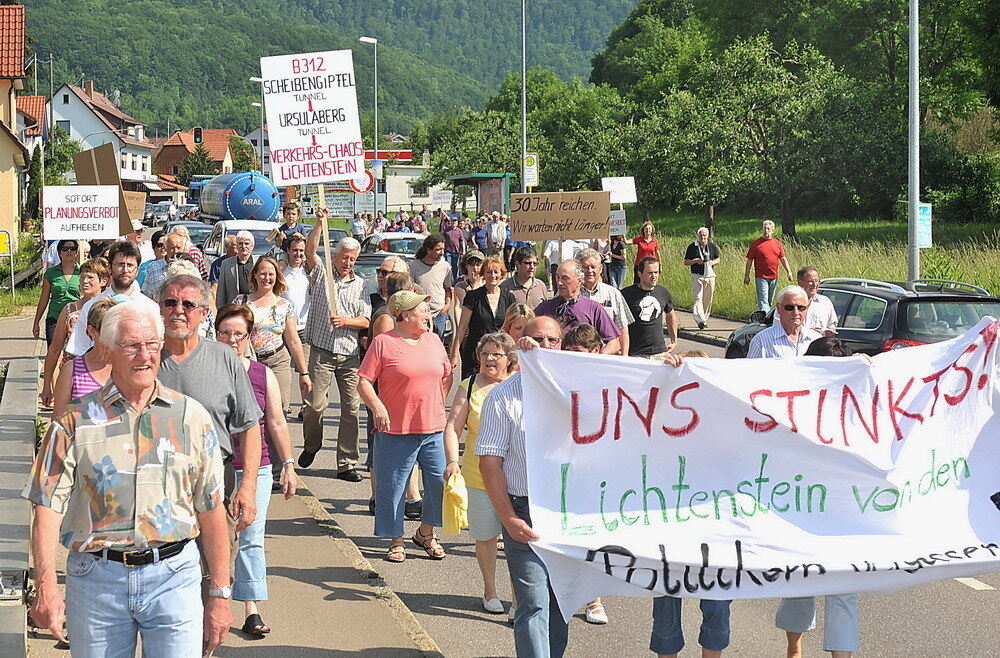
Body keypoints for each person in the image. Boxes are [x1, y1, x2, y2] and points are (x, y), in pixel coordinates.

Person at [23, 301, 232, 656]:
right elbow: (46, 506)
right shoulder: (75, 421)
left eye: (152, 344)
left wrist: (220, 593)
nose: (145, 355)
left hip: (174, 577)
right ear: (107, 349)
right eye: (132, 345)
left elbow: (211, 509)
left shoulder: (191, 418)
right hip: (96, 582)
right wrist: (46, 585)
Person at [477, 315, 568, 656]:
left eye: (552, 341)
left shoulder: (579, 391)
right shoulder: (502, 398)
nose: (545, 347)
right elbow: (490, 463)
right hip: (523, 511)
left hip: (567, 514)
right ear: (522, 346)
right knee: (533, 603)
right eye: (537, 340)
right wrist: (508, 518)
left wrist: (671, 371)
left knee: (560, 603)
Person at [156, 274, 263, 535]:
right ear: (159, 308)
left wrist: (247, 487)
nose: (178, 311)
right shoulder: (145, 358)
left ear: (204, 313)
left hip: (214, 483)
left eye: (188, 305)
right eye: (170, 303)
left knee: (216, 573)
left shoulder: (225, 358)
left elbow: (249, 427)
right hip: (156, 488)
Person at [214, 304, 298, 638]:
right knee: (212, 537)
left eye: (239, 334)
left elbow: (276, 422)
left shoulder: (263, 375)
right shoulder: (205, 371)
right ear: (215, 334)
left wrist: (288, 465)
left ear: (250, 337)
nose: (232, 340)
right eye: (225, 333)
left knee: (250, 537)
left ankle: (250, 608)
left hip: (256, 466)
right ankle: (210, 601)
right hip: (212, 468)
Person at [357, 290, 452, 562]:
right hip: (395, 429)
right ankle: (396, 538)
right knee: (394, 486)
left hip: (432, 427)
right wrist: (378, 407)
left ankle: (426, 533)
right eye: (422, 310)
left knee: (437, 483)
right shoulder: (384, 343)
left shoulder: (434, 340)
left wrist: (437, 400)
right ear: (405, 314)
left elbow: (446, 374)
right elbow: (364, 381)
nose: (428, 314)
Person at [443, 332, 517, 613]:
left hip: (516, 478)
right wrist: (452, 461)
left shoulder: (519, 384)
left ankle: (518, 598)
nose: (489, 359)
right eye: (484, 353)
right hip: (477, 475)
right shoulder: (469, 385)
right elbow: (452, 427)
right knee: (485, 536)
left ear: (509, 359)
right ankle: (490, 591)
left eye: (496, 354)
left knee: (516, 540)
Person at [299, 212, 371, 479]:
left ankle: (347, 463)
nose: (348, 263)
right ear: (336, 256)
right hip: (322, 351)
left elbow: (366, 320)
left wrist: (346, 321)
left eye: (352, 259)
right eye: (344, 258)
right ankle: (312, 444)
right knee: (316, 405)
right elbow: (310, 251)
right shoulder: (321, 274)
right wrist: (319, 223)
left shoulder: (361, 284)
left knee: (351, 408)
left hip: (350, 355)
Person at [558, 324, 614, 626]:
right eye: (568, 353)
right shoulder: (557, 376)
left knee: (593, 535)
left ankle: (594, 599)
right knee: (562, 534)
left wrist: (674, 366)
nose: (572, 359)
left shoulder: (613, 376)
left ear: (595, 351)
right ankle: (561, 594)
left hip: (597, 471)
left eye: (578, 353)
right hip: (562, 467)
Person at [233, 256, 312, 417]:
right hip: (249, 361)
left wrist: (304, 373)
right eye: (262, 273)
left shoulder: (284, 306)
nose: (266, 278)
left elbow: (293, 341)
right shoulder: (241, 302)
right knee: (250, 411)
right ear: (255, 274)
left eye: (271, 274)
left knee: (278, 412)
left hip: (278, 361)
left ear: (277, 277)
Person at [65, 241, 160, 358]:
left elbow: (155, 349)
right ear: (110, 267)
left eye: (130, 265)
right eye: (120, 264)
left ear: (138, 270)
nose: (125, 270)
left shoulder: (150, 307)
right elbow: (79, 349)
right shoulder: (91, 306)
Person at [40, 258, 110, 407]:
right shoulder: (69, 310)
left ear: (103, 281)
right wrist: (46, 385)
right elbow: (54, 349)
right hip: (73, 375)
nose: (85, 280)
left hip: (102, 374)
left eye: (90, 277)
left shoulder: (110, 310)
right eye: (83, 276)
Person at [49, 296, 121, 418]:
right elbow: (59, 420)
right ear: (92, 331)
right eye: (107, 329)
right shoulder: (71, 370)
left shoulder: (127, 367)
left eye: (118, 329)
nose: (114, 335)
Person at [533, 260, 621, 354]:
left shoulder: (594, 309)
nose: (559, 283)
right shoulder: (545, 308)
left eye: (565, 278)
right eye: (557, 277)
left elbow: (614, 343)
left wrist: (596, 359)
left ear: (580, 280)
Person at [451, 256, 516, 380]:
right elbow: (462, 328)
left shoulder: (509, 298)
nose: (492, 275)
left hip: (500, 355)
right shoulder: (472, 297)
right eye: (489, 272)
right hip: (475, 354)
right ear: (483, 275)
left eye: (496, 272)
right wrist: (454, 354)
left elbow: (512, 328)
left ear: (501, 274)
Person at [577, 248, 635, 356]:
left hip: (608, 355)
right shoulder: (570, 293)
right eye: (585, 267)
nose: (589, 271)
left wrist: (625, 357)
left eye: (593, 267)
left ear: (600, 269)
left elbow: (623, 328)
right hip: (579, 356)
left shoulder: (613, 293)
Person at [621, 257, 679, 359]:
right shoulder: (626, 294)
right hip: (636, 353)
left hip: (660, 352)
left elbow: (670, 316)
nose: (654, 276)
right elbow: (617, 322)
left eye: (656, 272)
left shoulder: (663, 292)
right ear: (640, 274)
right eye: (650, 273)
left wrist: (674, 341)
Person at [748, 285, 821, 358]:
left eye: (800, 307)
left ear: (807, 308)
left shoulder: (816, 339)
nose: (796, 312)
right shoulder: (761, 340)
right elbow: (752, 369)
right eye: (789, 307)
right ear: (778, 308)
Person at [34, 239, 80, 344]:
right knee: (53, 351)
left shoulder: (82, 272)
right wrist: (36, 322)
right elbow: (44, 298)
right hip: (54, 317)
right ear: (59, 253)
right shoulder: (51, 273)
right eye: (65, 249)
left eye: (72, 249)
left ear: (76, 252)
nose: (69, 251)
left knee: (73, 355)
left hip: (76, 319)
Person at [409, 234, 454, 339]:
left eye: (443, 249)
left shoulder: (445, 267)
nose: (442, 253)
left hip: (439, 314)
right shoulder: (413, 266)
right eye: (438, 249)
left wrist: (446, 307)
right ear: (428, 250)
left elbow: (448, 289)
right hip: (420, 314)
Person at [744, 220, 793, 312]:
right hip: (761, 277)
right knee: (763, 301)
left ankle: (766, 318)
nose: (766, 231)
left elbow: (783, 258)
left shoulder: (777, 243)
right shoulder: (756, 244)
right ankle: (765, 320)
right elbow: (749, 260)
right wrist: (747, 276)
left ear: (773, 230)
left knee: (769, 302)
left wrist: (789, 272)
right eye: (764, 228)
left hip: (774, 276)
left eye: (768, 229)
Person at [774, 266, 838, 335]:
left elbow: (832, 325)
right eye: (811, 281)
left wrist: (828, 332)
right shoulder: (786, 302)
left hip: (819, 344)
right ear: (800, 282)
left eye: (817, 281)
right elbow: (777, 328)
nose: (814, 285)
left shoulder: (825, 302)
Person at [684, 227, 721, 330]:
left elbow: (718, 259)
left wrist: (712, 262)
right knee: (698, 298)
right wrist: (695, 261)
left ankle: (704, 319)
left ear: (708, 236)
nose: (703, 237)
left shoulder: (712, 246)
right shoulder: (692, 247)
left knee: (708, 299)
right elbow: (686, 262)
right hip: (697, 275)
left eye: (705, 235)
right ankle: (699, 320)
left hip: (710, 275)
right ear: (698, 236)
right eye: (701, 235)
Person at [216, 230, 258, 307]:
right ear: (237, 246)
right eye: (240, 243)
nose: (243, 246)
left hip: (255, 306)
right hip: (234, 308)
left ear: (252, 246)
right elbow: (221, 291)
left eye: (247, 244)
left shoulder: (258, 262)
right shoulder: (226, 264)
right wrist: (221, 311)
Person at [282, 234, 311, 342]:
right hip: (283, 328)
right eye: (295, 250)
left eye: (301, 250)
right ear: (288, 250)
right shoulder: (280, 271)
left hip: (304, 329)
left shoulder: (309, 272)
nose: (298, 254)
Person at [140, 232, 187, 299]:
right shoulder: (152, 268)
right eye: (172, 248)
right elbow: (146, 295)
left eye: (178, 247)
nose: (175, 251)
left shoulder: (190, 267)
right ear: (165, 248)